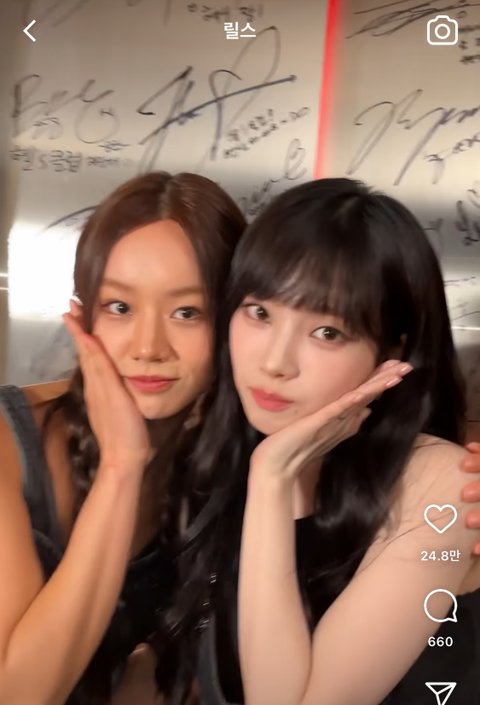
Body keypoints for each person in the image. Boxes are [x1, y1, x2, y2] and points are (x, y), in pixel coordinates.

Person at [167, 178, 480, 705]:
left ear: (392, 351)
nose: (275, 362)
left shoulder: (441, 483)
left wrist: (272, 477)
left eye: (327, 332)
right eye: (260, 313)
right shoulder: (216, 458)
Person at [0, 171, 245, 705]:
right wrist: (122, 464)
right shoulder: (7, 443)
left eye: (187, 312)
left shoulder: (232, 460)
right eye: (120, 307)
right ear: (83, 315)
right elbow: (17, 693)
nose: (149, 347)